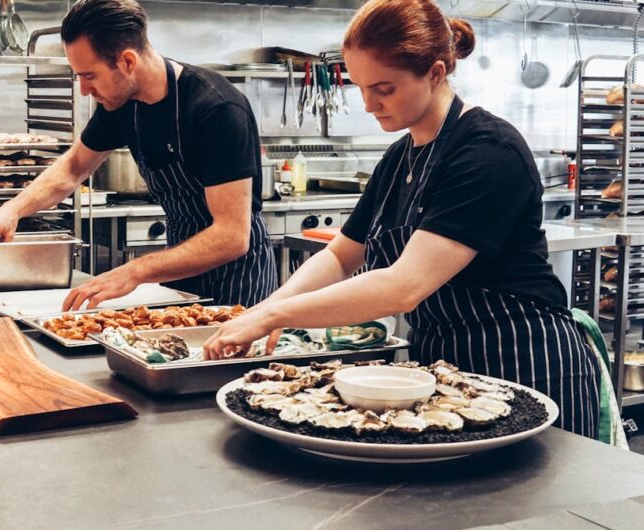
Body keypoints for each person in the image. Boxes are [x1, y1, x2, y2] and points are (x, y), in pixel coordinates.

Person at [204, 0, 600, 438]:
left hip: (524, 360)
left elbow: (404, 286)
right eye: (360, 87)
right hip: (444, 373)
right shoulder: (400, 156)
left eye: (384, 88)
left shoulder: (488, 151)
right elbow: (340, 256)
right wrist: (263, 310)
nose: (370, 104)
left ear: (435, 73)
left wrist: (276, 316)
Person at [0, 0, 277, 310]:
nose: (83, 90)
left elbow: (231, 237)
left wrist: (134, 271)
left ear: (128, 61)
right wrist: (12, 210)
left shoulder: (215, 109)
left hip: (238, 281)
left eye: (90, 76)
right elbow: (74, 167)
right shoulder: (121, 104)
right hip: (179, 270)